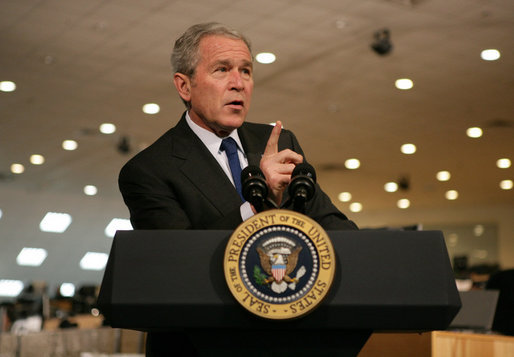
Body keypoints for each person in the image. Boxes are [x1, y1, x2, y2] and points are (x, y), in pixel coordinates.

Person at [118, 22, 357, 356]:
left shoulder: (279, 142)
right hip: (201, 346)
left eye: (246, 71)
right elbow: (179, 267)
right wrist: (254, 207)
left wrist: (367, 255)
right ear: (184, 86)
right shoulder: (149, 170)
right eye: (222, 70)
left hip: (289, 340)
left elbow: (331, 223)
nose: (238, 83)